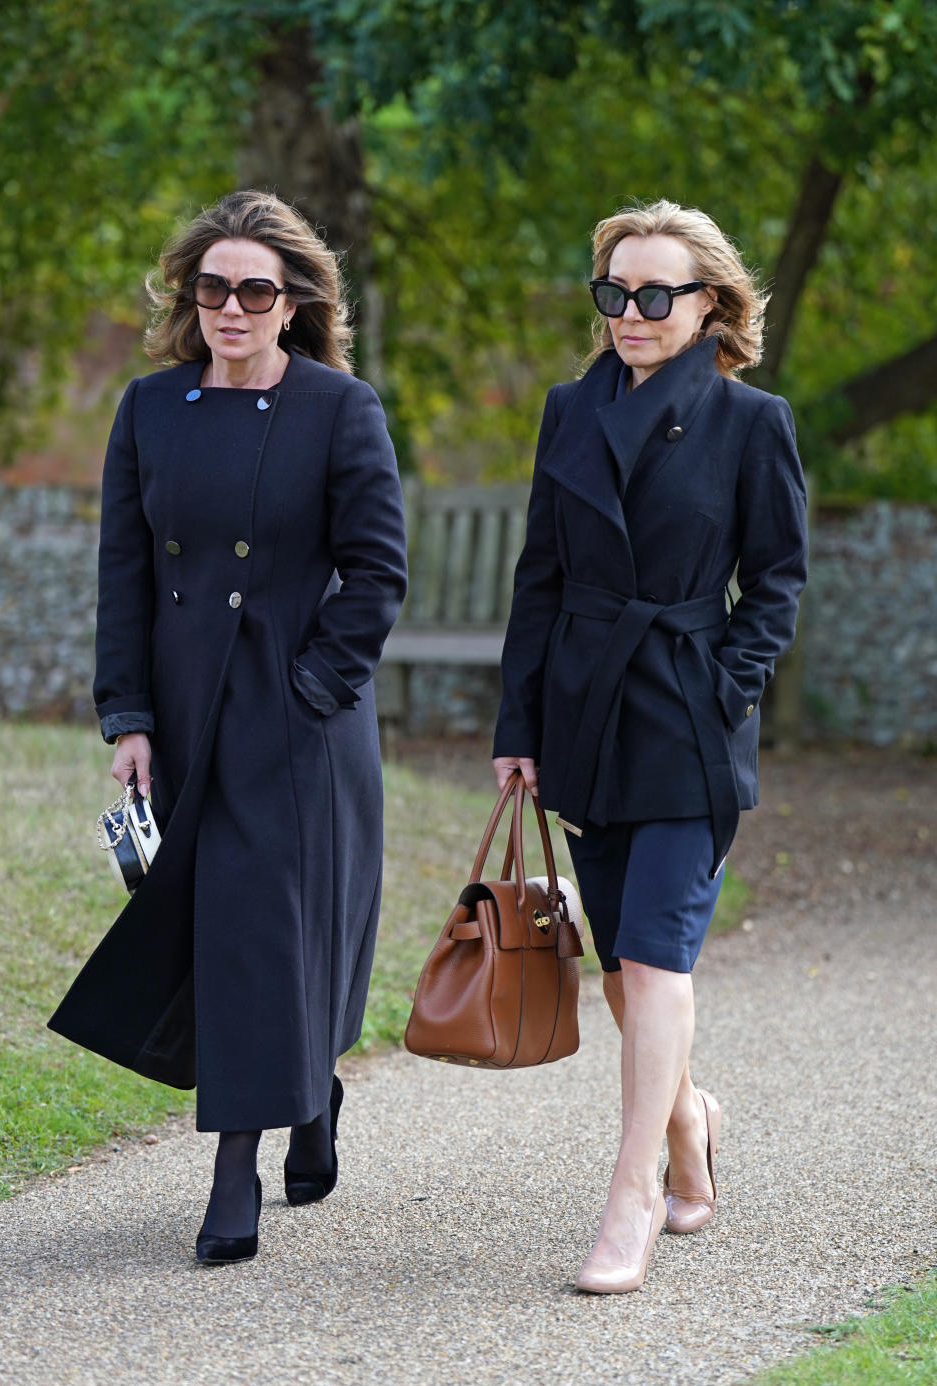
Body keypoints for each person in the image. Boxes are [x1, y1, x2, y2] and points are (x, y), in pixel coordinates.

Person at [49, 189, 407, 1265]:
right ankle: (310, 1096)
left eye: (256, 289)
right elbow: (122, 572)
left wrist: (310, 688)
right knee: (222, 936)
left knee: (266, 933)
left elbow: (378, 572)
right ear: (191, 298)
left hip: (296, 714)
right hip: (183, 709)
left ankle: (230, 1174)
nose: (233, 308)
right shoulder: (150, 409)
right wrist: (129, 715)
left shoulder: (341, 409)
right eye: (214, 288)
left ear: (293, 301)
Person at [492, 199, 807, 1293]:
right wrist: (519, 726)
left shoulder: (748, 422)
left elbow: (776, 582)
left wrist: (727, 688)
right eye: (615, 291)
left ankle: (628, 1200)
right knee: (624, 963)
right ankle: (691, 1121)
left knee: (653, 958)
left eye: (657, 292)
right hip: (585, 711)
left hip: (685, 710)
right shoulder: (567, 412)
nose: (632, 311)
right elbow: (540, 579)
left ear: (709, 302)